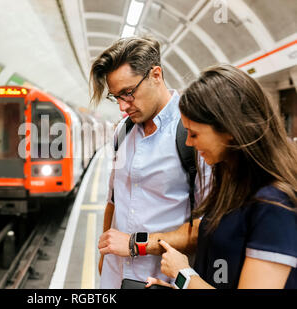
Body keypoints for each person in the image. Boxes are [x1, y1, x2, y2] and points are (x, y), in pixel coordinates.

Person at [143, 64, 296, 289]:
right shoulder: (232, 188)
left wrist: (183, 275)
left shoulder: (274, 205)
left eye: (194, 134)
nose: (188, 143)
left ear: (231, 131)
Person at [90, 36, 207, 288]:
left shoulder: (193, 131)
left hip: (162, 280)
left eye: (128, 93)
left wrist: (134, 245)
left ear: (156, 75)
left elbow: (205, 228)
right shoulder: (122, 131)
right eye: (115, 97)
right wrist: (104, 253)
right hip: (114, 276)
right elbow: (113, 201)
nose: (123, 106)